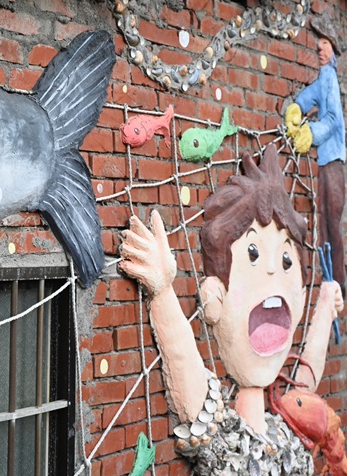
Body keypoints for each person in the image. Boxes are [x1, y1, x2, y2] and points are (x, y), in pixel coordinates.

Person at [119, 145, 343, 475]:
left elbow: (303, 389)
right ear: (215, 297)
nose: (272, 270)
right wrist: (163, 291)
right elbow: (192, 389)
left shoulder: (288, 429)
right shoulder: (224, 437)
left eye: (285, 259)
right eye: (253, 253)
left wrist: (325, 308)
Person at [285, 13, 346, 292]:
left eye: (325, 45)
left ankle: (338, 280)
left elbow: (332, 119)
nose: (320, 50)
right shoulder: (324, 78)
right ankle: (329, 278)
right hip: (325, 163)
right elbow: (311, 95)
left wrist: (311, 133)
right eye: (318, 45)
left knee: (331, 222)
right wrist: (296, 107)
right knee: (323, 221)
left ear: (333, 49)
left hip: (333, 162)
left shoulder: (330, 76)